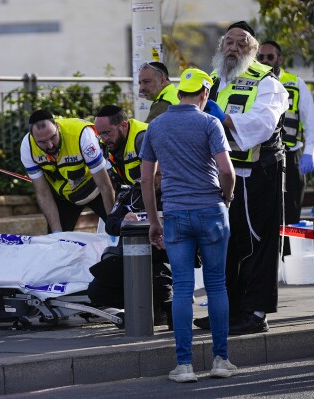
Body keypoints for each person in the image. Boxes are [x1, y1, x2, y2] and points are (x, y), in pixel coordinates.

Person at [140, 68, 237, 382]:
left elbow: (146, 179)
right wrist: (227, 197)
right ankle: (221, 360)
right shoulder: (210, 123)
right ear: (205, 94)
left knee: (182, 287)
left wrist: (154, 221)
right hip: (211, 210)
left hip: (176, 214)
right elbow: (227, 171)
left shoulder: (156, 126)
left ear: (181, 91)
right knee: (216, 285)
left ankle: (184, 366)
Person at [196, 21, 289, 335]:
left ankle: (254, 313)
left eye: (242, 43)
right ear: (221, 47)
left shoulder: (266, 82)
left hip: (257, 174)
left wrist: (225, 119)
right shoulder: (210, 82)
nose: (233, 48)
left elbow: (263, 124)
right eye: (229, 42)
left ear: (253, 50)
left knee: (257, 243)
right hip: (221, 176)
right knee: (225, 244)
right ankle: (227, 311)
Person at [93, 105, 173, 327]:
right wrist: (124, 221)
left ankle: (165, 306)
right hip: (139, 226)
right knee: (98, 290)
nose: (103, 139)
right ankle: (144, 307)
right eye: (100, 134)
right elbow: (112, 219)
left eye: (106, 132)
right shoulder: (134, 187)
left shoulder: (143, 139)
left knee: (158, 268)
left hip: (165, 245)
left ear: (123, 125)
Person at [257, 40, 314, 255]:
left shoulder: (295, 83)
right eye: (261, 57)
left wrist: (310, 152)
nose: (265, 61)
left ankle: (290, 262)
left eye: (270, 57)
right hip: (262, 159)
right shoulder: (253, 84)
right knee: (265, 213)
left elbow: (312, 123)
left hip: (292, 156)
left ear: (280, 59)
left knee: (292, 213)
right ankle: (270, 262)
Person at [87, 182, 173, 330]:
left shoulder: (176, 192)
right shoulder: (131, 194)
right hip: (129, 259)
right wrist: (123, 221)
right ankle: (138, 309)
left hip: (162, 260)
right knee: (97, 291)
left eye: (159, 174)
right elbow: (110, 224)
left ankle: (163, 309)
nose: (155, 178)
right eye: (151, 173)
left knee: (161, 287)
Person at [20, 109, 115, 232]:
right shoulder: (27, 147)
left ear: (57, 127)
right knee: (57, 242)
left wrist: (113, 222)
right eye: (42, 142)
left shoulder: (82, 136)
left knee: (119, 230)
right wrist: (58, 234)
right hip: (65, 197)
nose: (50, 146)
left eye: (53, 138)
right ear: (32, 138)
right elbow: (43, 192)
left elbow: (104, 185)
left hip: (96, 189)